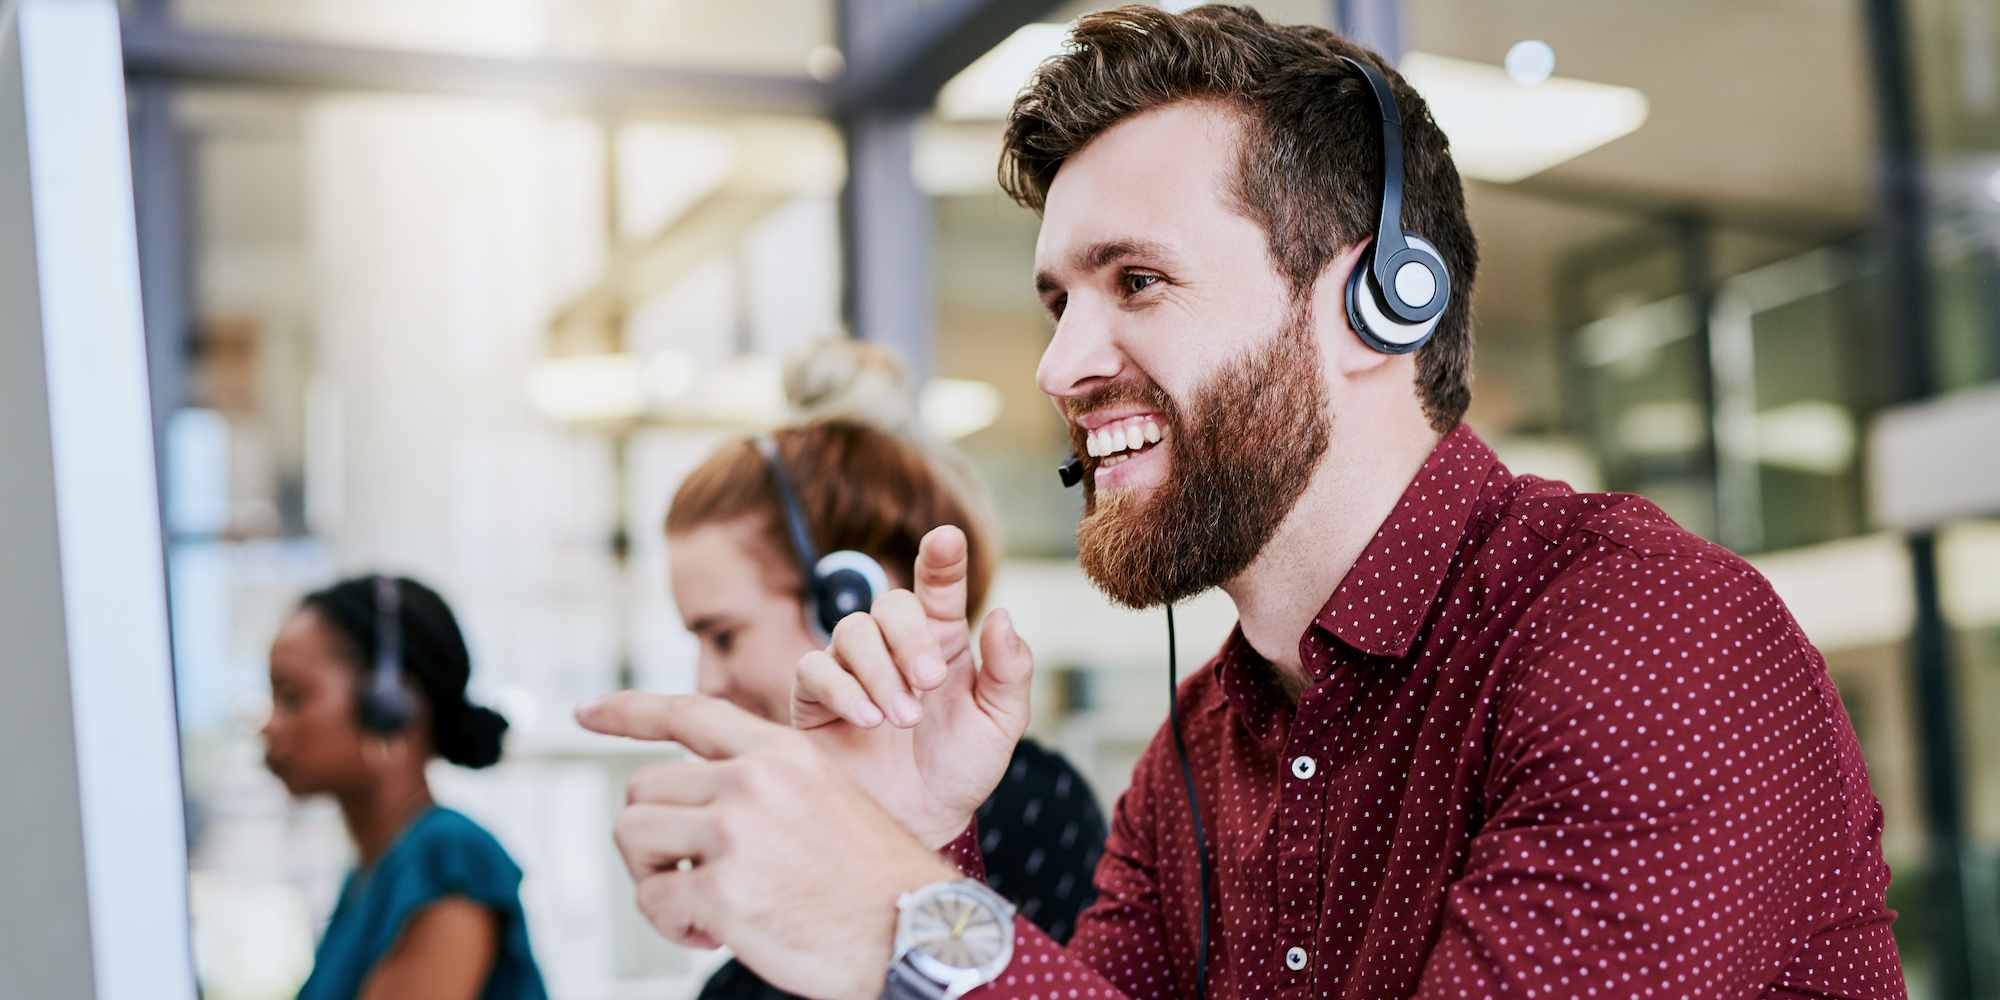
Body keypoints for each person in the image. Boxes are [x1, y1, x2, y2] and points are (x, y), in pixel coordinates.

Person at [580, 6, 1902, 999]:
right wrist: (911, 843)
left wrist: (913, 919)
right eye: (1057, 300)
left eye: (1136, 281)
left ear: (1375, 303)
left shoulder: (1652, 638)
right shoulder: (1199, 758)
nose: (1059, 366)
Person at [661, 346, 1107, 999]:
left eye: (724, 636)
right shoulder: (774, 837)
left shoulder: (1026, 806)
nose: (707, 681)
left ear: (849, 601)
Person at [263, 575, 547, 1000]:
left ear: (389, 705)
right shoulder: (370, 875)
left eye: (292, 697)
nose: (269, 726)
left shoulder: (448, 857)